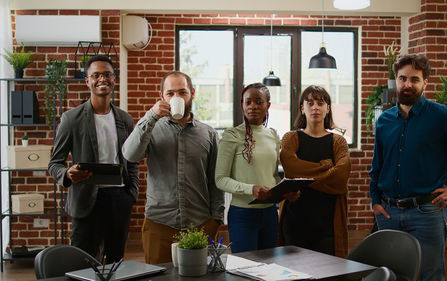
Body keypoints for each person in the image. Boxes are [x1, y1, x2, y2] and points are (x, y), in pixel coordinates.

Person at [369, 54, 447, 281]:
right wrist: (375, 199)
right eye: (403, 78)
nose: (407, 84)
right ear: (396, 80)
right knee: (392, 276)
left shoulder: (442, 116)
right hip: (388, 213)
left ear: (425, 83)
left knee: (430, 275)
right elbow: (377, 165)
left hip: (426, 213)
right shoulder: (384, 120)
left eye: (415, 79)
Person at [122, 71, 224, 264]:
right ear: (162, 97)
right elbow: (130, 154)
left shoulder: (208, 133)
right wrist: (151, 116)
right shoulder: (150, 128)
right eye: (170, 94)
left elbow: (215, 180)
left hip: (200, 223)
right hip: (159, 223)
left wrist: (216, 220)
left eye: (182, 92)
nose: (176, 98)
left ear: (192, 93)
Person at [48, 55, 139, 263]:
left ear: (114, 79)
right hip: (86, 200)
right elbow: (54, 163)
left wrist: (131, 191)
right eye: (95, 75)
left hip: (119, 199)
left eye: (107, 74)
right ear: (87, 81)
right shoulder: (71, 119)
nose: (102, 79)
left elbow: (132, 159)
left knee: (116, 262)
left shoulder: (125, 119)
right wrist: (67, 174)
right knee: (82, 263)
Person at [279, 85, 351, 257]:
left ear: (328, 109)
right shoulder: (291, 138)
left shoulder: (338, 141)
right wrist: (326, 167)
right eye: (310, 103)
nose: (315, 107)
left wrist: (304, 176)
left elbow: (340, 177)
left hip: (327, 222)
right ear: (302, 109)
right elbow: (291, 169)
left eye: (320, 103)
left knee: (327, 272)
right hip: (295, 220)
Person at [215, 83, 281, 253]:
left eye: (259, 102)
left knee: (269, 268)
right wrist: (251, 189)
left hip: (270, 214)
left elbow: (272, 176)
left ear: (268, 105)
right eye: (248, 102)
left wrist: (286, 190)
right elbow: (220, 179)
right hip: (243, 215)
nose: (253, 106)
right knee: (245, 269)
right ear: (242, 105)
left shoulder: (273, 135)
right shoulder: (232, 135)